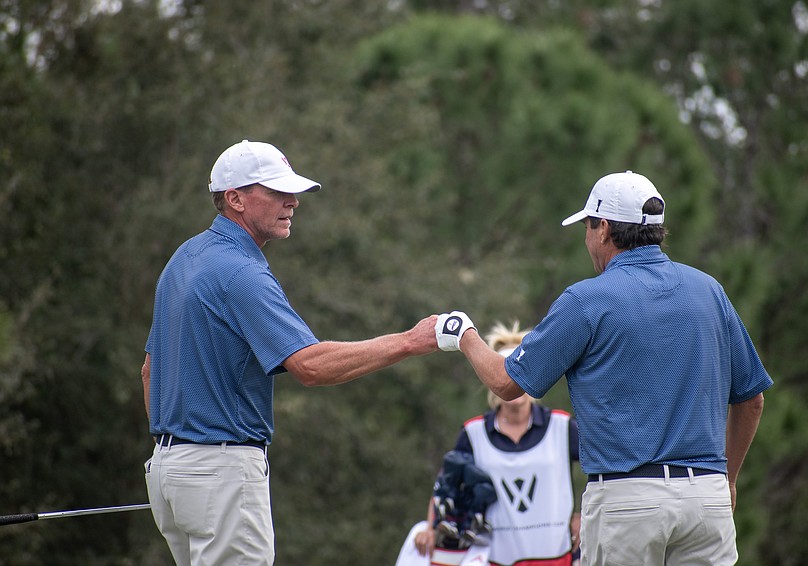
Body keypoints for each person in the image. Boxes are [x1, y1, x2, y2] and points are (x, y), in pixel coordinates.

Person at [434, 171, 773, 566]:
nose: (586, 239)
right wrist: (728, 480)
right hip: (707, 501)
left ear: (604, 229)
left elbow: (507, 383)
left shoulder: (585, 299)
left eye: (588, 226)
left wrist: (464, 335)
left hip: (628, 502)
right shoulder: (709, 290)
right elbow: (752, 401)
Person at [140, 139, 438, 566]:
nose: (293, 202)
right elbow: (310, 366)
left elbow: (151, 371)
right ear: (235, 199)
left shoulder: (185, 257)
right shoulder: (241, 272)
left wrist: (179, 457)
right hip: (221, 471)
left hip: (170, 470)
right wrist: (411, 340)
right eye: (277, 192)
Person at [413, 322, 583, 566]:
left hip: (557, 557)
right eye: (508, 375)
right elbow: (446, 483)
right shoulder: (474, 432)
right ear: (493, 381)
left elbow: (603, 464)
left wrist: (586, 515)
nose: (516, 384)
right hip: (497, 558)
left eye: (522, 374)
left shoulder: (561, 426)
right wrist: (431, 527)